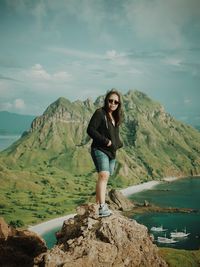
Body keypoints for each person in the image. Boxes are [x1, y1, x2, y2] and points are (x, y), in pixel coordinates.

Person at [87, 89, 123, 217]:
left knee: (106, 176)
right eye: (110, 100)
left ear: (118, 104)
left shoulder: (115, 117)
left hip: (111, 152)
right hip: (99, 149)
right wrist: (106, 141)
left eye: (116, 102)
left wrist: (118, 144)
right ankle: (102, 207)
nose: (113, 103)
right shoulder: (100, 113)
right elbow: (90, 130)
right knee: (104, 175)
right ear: (106, 100)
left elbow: (115, 135)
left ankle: (98, 204)